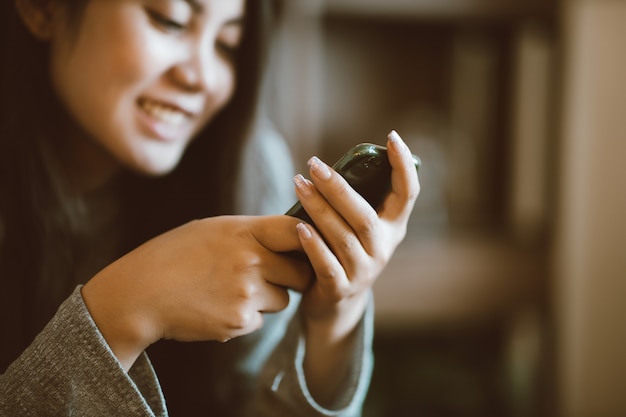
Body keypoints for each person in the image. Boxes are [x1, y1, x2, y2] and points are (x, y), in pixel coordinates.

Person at [0, 0, 420, 415]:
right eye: (170, 21)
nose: (201, 77)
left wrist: (333, 315)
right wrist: (123, 308)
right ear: (43, 9)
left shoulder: (248, 170)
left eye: (227, 44)